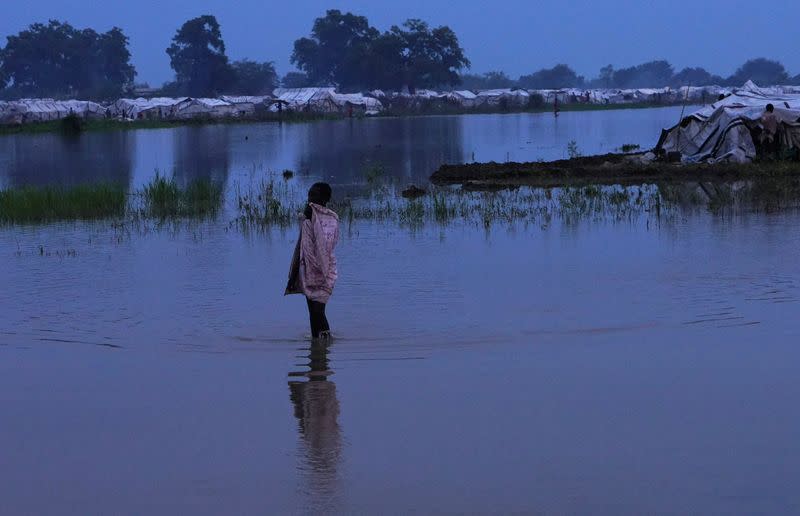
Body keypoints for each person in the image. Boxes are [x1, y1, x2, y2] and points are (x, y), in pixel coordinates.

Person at [286, 182, 340, 340]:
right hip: (308, 272)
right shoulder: (306, 221)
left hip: (325, 271)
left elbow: (326, 245)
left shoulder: (331, 220)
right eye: (309, 196)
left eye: (314, 196)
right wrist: (293, 276)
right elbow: (301, 248)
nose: (310, 200)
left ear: (324, 199)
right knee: (312, 313)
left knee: (318, 311)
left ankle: (324, 349)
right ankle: (317, 344)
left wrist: (314, 218)